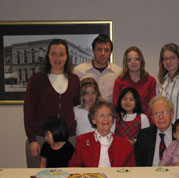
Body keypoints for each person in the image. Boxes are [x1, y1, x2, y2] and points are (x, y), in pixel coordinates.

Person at [24, 39, 80, 168]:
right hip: (40, 140)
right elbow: (28, 112)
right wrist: (32, 139)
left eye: (61, 54)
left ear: (67, 57)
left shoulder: (74, 80)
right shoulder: (37, 79)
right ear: (47, 56)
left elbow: (76, 108)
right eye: (53, 54)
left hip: (68, 141)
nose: (57, 58)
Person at [69, 100, 135, 167]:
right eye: (101, 115)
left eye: (109, 115)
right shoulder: (82, 140)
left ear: (112, 119)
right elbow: (74, 167)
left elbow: (131, 172)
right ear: (94, 120)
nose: (106, 119)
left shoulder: (125, 144)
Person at [113, 46, 156, 122]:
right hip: (125, 122)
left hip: (146, 122)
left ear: (141, 61)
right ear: (126, 63)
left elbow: (152, 107)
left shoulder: (151, 81)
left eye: (136, 59)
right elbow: (116, 105)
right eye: (130, 60)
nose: (133, 62)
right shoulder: (119, 81)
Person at [73, 34, 121, 103]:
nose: (102, 53)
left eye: (106, 50)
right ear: (93, 50)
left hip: (109, 113)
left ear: (110, 52)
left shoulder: (118, 72)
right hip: (85, 113)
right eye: (99, 49)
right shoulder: (78, 71)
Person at [134, 96, 175, 166]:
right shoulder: (143, 136)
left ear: (172, 114)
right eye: (156, 114)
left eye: (164, 112)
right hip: (150, 175)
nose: (161, 117)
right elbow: (138, 164)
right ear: (152, 118)